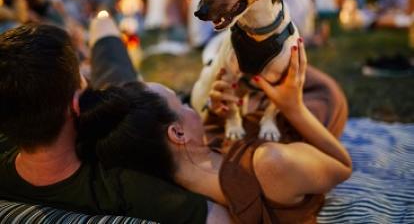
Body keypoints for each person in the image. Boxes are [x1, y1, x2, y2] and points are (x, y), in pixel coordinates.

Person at [76, 39, 352, 224]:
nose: (189, 107)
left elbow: (212, 149)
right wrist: (293, 107)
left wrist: (218, 115)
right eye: (182, 104)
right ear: (178, 134)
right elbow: (342, 166)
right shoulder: (270, 165)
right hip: (316, 108)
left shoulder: (180, 178)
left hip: (265, 121)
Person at [0, 19, 231, 223]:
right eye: (81, 75)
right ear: (76, 104)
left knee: (103, 26)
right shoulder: (127, 186)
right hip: (129, 102)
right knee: (103, 25)